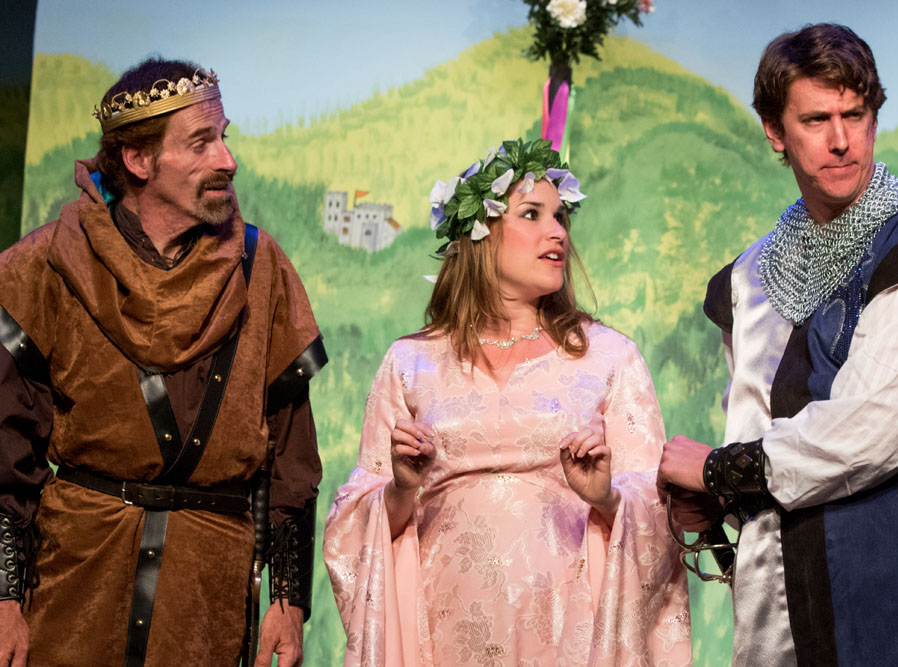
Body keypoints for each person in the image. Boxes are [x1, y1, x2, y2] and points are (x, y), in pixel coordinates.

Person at [657, 23, 898, 666]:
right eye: (816, 118)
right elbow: (760, 424)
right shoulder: (752, 278)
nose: (841, 140)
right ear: (774, 132)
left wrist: (718, 469)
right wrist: (719, 501)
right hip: (787, 573)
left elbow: (874, 429)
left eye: (856, 114)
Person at [0, 58, 326, 666]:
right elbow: (5, 451)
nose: (227, 159)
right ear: (138, 160)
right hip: (77, 581)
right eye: (201, 142)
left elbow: (292, 453)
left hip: (205, 593)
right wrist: (3, 596)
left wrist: (287, 599)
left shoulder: (263, 269)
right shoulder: (43, 266)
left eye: (223, 136)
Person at [324, 138, 691, 665]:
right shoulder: (411, 363)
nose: (558, 231)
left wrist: (607, 495)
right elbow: (354, 525)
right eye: (533, 214)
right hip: (442, 627)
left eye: (562, 217)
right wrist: (402, 487)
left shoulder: (608, 357)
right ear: (479, 234)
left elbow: (657, 505)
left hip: (571, 627)